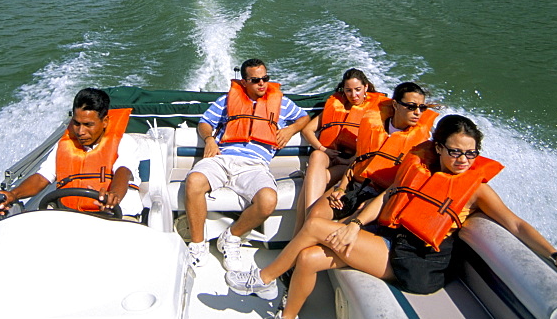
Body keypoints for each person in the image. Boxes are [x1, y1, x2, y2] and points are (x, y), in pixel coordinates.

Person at [225, 114, 557, 319]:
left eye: (471, 153)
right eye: (455, 151)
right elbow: (386, 198)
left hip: (416, 264)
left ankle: (264, 279)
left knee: (318, 229)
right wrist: (355, 224)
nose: (463, 159)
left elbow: (515, 225)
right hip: (389, 242)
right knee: (308, 260)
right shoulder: (419, 167)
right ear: (438, 148)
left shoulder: (477, 190)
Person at [185, 59, 311, 270]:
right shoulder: (226, 101)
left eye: (265, 79)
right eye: (255, 80)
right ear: (243, 82)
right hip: (223, 158)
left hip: (255, 165)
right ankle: (197, 244)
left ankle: (231, 237)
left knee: (268, 200)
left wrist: (290, 130)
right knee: (194, 181)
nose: (262, 84)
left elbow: (304, 117)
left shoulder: (282, 103)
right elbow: (205, 123)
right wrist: (209, 139)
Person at [0, 87, 142, 219]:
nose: (80, 132)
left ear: (105, 122)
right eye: (76, 124)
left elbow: (123, 171)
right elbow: (43, 177)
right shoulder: (65, 145)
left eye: (88, 125)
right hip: (68, 216)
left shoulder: (125, 142)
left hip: (115, 217)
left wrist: (113, 195)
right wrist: (14, 194)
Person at [311, 82, 437, 225]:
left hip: (380, 198)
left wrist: (372, 203)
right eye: (411, 106)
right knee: (315, 215)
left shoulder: (424, 142)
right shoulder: (373, 123)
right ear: (395, 105)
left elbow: (404, 185)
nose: (418, 112)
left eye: (422, 107)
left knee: (334, 230)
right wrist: (341, 188)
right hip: (355, 185)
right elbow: (357, 161)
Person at [296, 68, 388, 231]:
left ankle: (301, 227)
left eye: (358, 90)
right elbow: (307, 130)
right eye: (349, 91)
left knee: (312, 178)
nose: (354, 95)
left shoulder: (377, 112)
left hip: (350, 163)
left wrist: (347, 160)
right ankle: (307, 224)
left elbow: (372, 150)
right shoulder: (337, 106)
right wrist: (324, 149)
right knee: (317, 155)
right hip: (330, 156)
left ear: (366, 87)